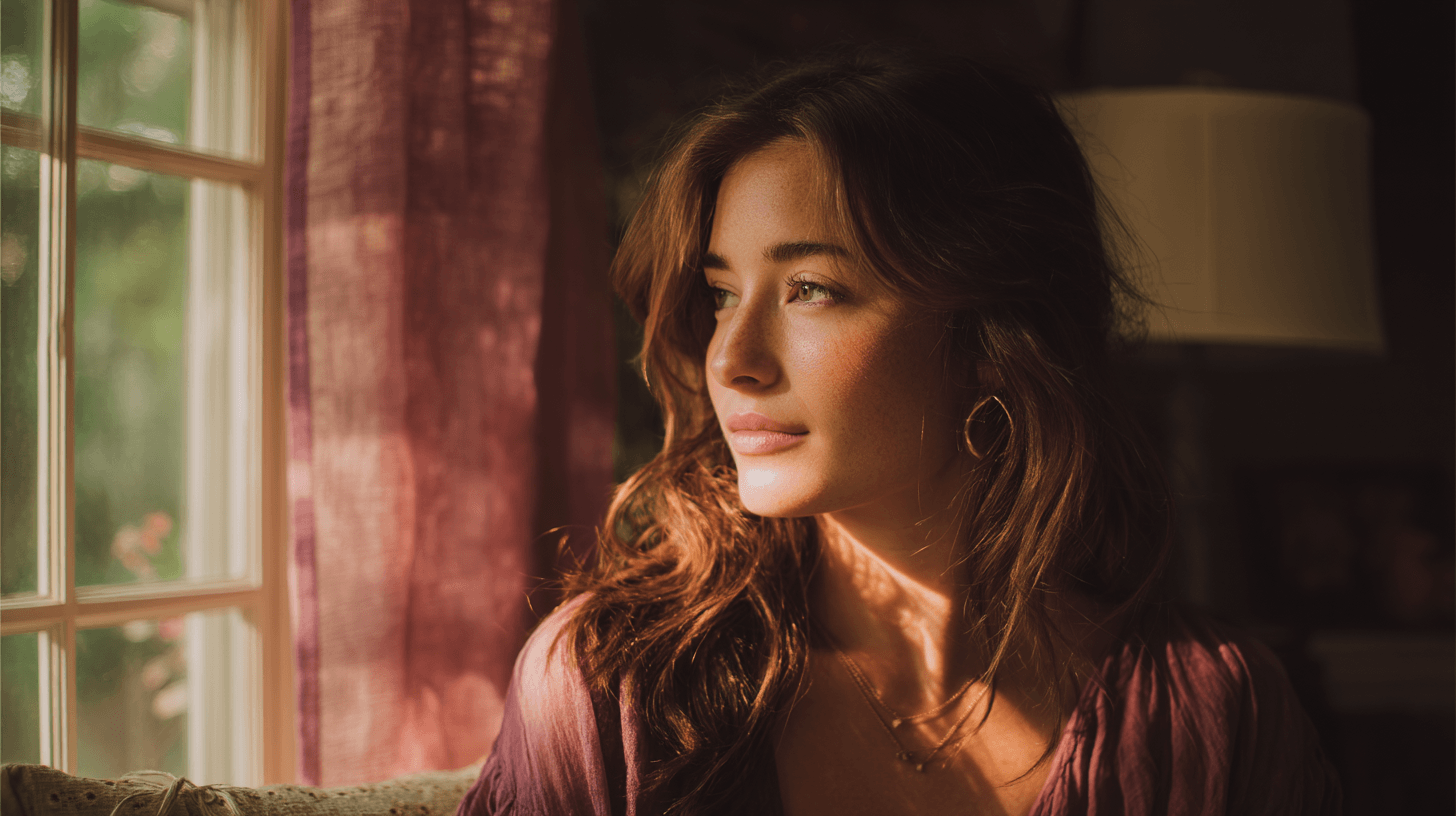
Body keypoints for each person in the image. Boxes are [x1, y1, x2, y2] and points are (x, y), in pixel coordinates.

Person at [457, 48, 1341, 816]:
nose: (732, 359)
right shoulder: (609, 689)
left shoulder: (1211, 716)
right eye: (722, 295)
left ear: (996, 337)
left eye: (811, 289)